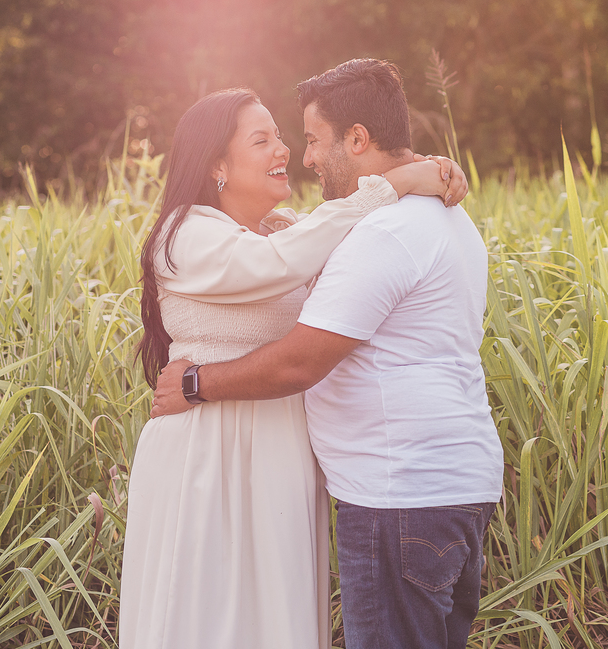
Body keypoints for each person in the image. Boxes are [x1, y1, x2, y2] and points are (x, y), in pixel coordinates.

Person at [151, 59, 505, 649]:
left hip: (400, 495)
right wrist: (415, 175)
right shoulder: (443, 216)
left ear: (358, 140)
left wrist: (193, 384)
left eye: (311, 139)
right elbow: (293, 250)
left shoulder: (385, 231)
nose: (305, 156)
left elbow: (300, 361)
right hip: (445, 486)